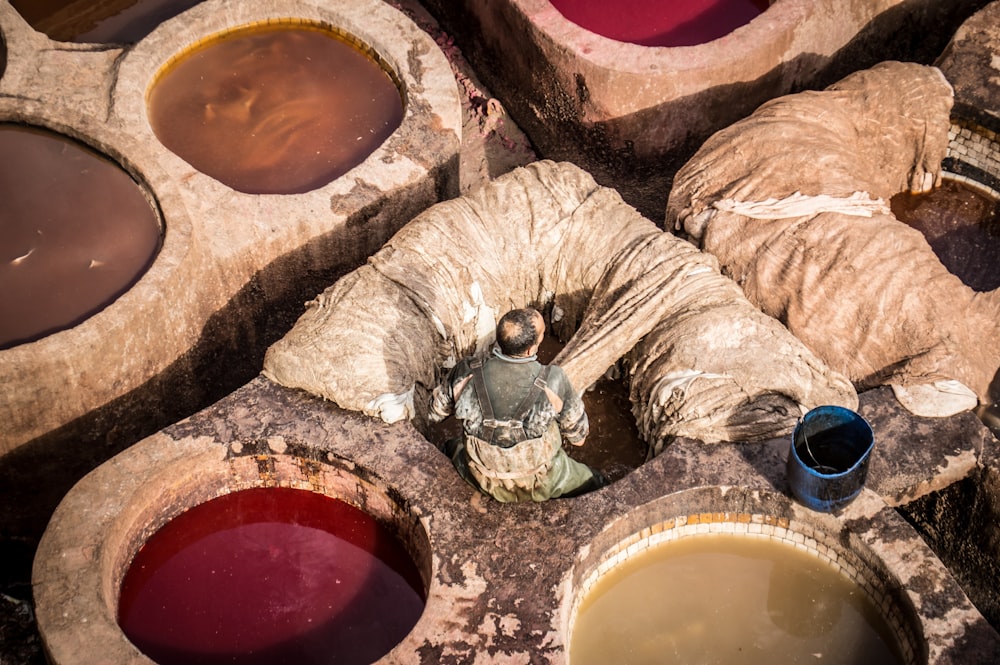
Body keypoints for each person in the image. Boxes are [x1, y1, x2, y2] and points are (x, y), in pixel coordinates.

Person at [429, 307, 608, 502]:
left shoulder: (466, 371)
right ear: (531, 349)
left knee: (449, 447)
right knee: (596, 482)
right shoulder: (553, 380)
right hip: (539, 482)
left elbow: (434, 414)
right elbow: (578, 439)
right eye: (542, 336)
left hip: (480, 477)